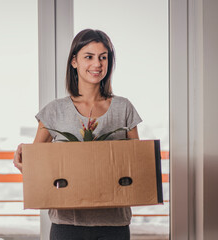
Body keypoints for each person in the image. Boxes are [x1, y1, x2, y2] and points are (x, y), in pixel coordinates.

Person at [13, 29, 142, 240]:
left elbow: (136, 163)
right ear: (74, 62)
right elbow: (37, 165)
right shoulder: (54, 111)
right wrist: (22, 164)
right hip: (67, 224)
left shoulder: (123, 108)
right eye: (89, 57)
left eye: (103, 57)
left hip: (114, 223)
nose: (97, 64)